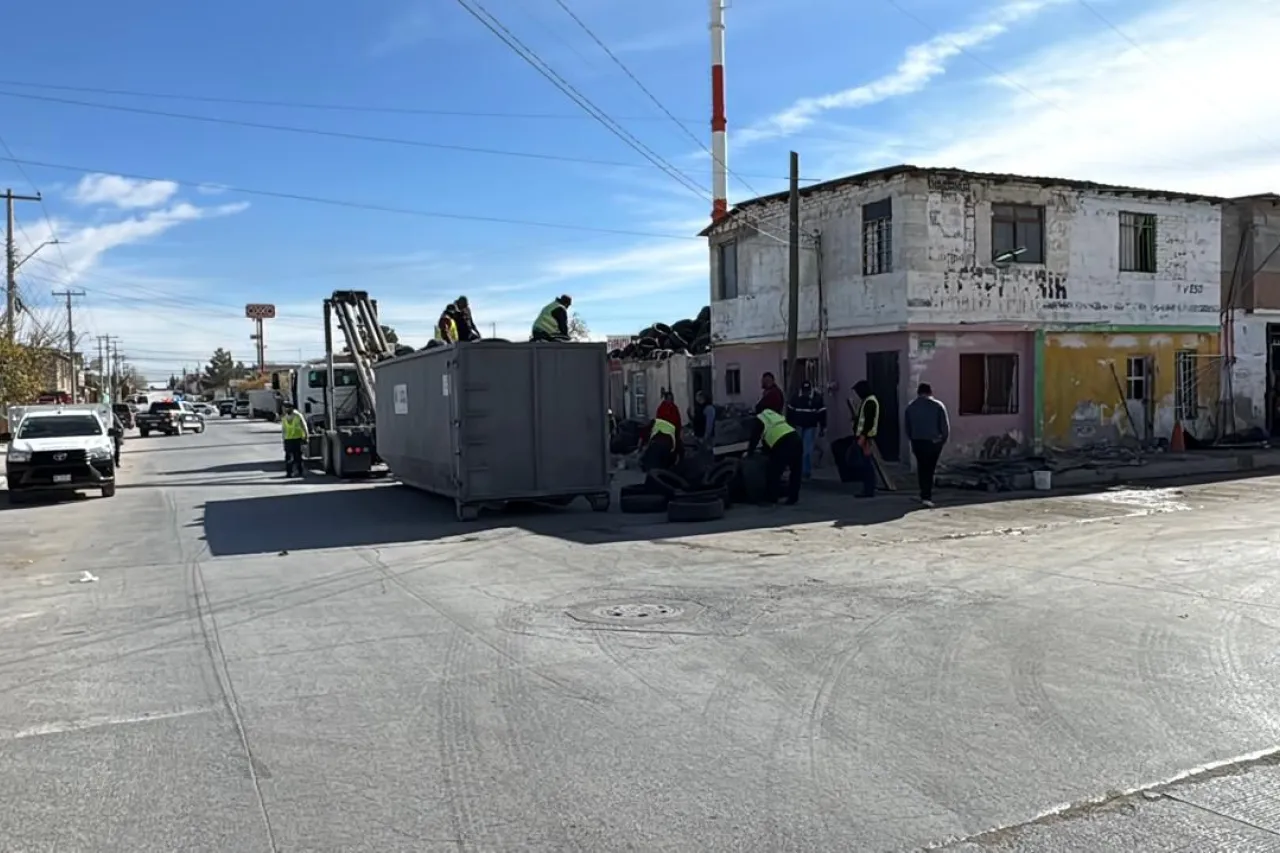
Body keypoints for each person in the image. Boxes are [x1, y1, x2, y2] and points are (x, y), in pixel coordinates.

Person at [903, 382, 949, 508]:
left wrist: (912, 439)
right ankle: (926, 495)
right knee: (930, 468)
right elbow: (945, 428)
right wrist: (941, 442)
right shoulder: (938, 406)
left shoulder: (911, 407)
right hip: (933, 442)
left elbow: (907, 428)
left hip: (918, 442)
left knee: (922, 467)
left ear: (918, 393)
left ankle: (924, 494)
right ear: (930, 392)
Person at [747, 407, 803, 505]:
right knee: (796, 471)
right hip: (796, 438)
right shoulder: (775, 416)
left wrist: (749, 453)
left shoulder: (760, 419)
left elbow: (755, 437)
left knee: (774, 471)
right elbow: (770, 437)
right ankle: (793, 498)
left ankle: (772, 497)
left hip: (783, 443)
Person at [786, 379, 827, 479]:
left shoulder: (817, 398)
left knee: (807, 450)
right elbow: (790, 412)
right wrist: (789, 425)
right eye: (804, 391)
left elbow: (822, 414)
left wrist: (823, 427)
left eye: (807, 391)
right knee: (798, 449)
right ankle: (799, 470)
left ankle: (806, 471)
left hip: (810, 426)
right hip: (798, 426)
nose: (805, 393)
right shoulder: (795, 397)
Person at [847, 380, 880, 498]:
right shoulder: (866, 401)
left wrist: (863, 437)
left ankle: (869, 489)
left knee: (866, 464)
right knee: (865, 463)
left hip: (866, 437)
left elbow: (869, 421)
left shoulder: (870, 401)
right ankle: (868, 488)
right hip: (864, 436)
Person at [280, 402, 309, 478]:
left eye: (287, 407)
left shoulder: (298, 415)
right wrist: (283, 439)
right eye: (285, 408)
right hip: (288, 439)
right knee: (288, 457)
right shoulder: (284, 417)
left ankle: (300, 471)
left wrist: (306, 436)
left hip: (298, 439)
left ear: (291, 408)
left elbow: (304, 425)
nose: (286, 409)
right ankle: (289, 472)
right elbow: (283, 429)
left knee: (298, 457)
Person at [689, 389, 716, 455]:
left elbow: (709, 424)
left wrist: (706, 436)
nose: (697, 398)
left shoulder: (708, 408)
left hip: (705, 437)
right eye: (696, 397)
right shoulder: (699, 407)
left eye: (698, 397)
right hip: (698, 436)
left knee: (706, 454)